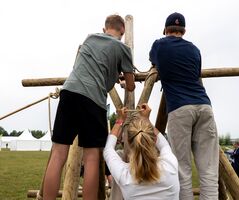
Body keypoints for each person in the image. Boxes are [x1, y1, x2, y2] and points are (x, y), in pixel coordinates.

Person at [43, 14, 135, 200]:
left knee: (58, 154)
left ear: (104, 28)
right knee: (92, 158)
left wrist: (112, 74)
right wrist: (123, 80)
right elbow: (131, 85)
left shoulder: (90, 38)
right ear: (123, 31)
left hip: (69, 92)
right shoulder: (123, 48)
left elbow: (95, 66)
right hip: (93, 99)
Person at [149, 12, 219, 200]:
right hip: (204, 107)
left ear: (165, 30)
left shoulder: (159, 45)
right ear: (184, 31)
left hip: (180, 108)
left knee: (182, 169)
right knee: (209, 170)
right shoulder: (195, 50)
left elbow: (154, 63)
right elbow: (196, 75)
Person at [103, 103, 180, 200]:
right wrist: (147, 120)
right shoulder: (170, 164)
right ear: (153, 140)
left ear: (129, 143)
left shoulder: (125, 176)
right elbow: (164, 144)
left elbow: (108, 149)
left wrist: (119, 121)